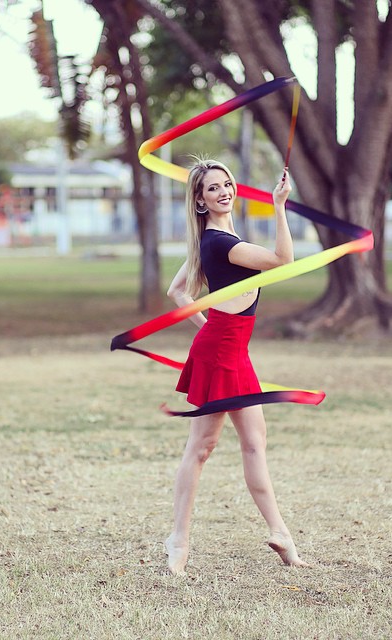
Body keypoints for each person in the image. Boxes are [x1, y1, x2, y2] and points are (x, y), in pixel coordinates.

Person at [164, 157, 308, 575]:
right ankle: (178, 540)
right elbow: (283, 261)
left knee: (254, 443)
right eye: (212, 188)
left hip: (233, 351)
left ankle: (281, 534)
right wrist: (279, 205)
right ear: (200, 200)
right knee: (202, 448)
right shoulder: (219, 243)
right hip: (219, 353)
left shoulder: (219, 238)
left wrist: (212, 324)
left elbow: (177, 291)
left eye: (227, 183)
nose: (223, 191)